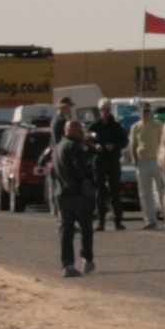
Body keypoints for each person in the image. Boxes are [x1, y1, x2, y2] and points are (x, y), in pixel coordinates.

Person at [51, 114, 108, 276]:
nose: (82, 133)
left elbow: (54, 174)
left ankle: (67, 264)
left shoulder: (58, 147)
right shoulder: (73, 147)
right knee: (86, 229)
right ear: (71, 131)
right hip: (77, 194)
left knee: (66, 232)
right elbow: (82, 166)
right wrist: (89, 148)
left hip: (62, 194)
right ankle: (87, 260)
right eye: (80, 130)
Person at [95, 100, 135, 227]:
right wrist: (95, 146)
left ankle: (118, 220)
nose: (105, 112)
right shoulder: (94, 126)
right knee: (100, 191)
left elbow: (124, 141)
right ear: (99, 111)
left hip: (113, 161)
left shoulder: (116, 126)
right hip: (99, 162)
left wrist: (114, 146)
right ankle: (100, 220)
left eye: (107, 110)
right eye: (103, 110)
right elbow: (87, 140)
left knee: (115, 191)